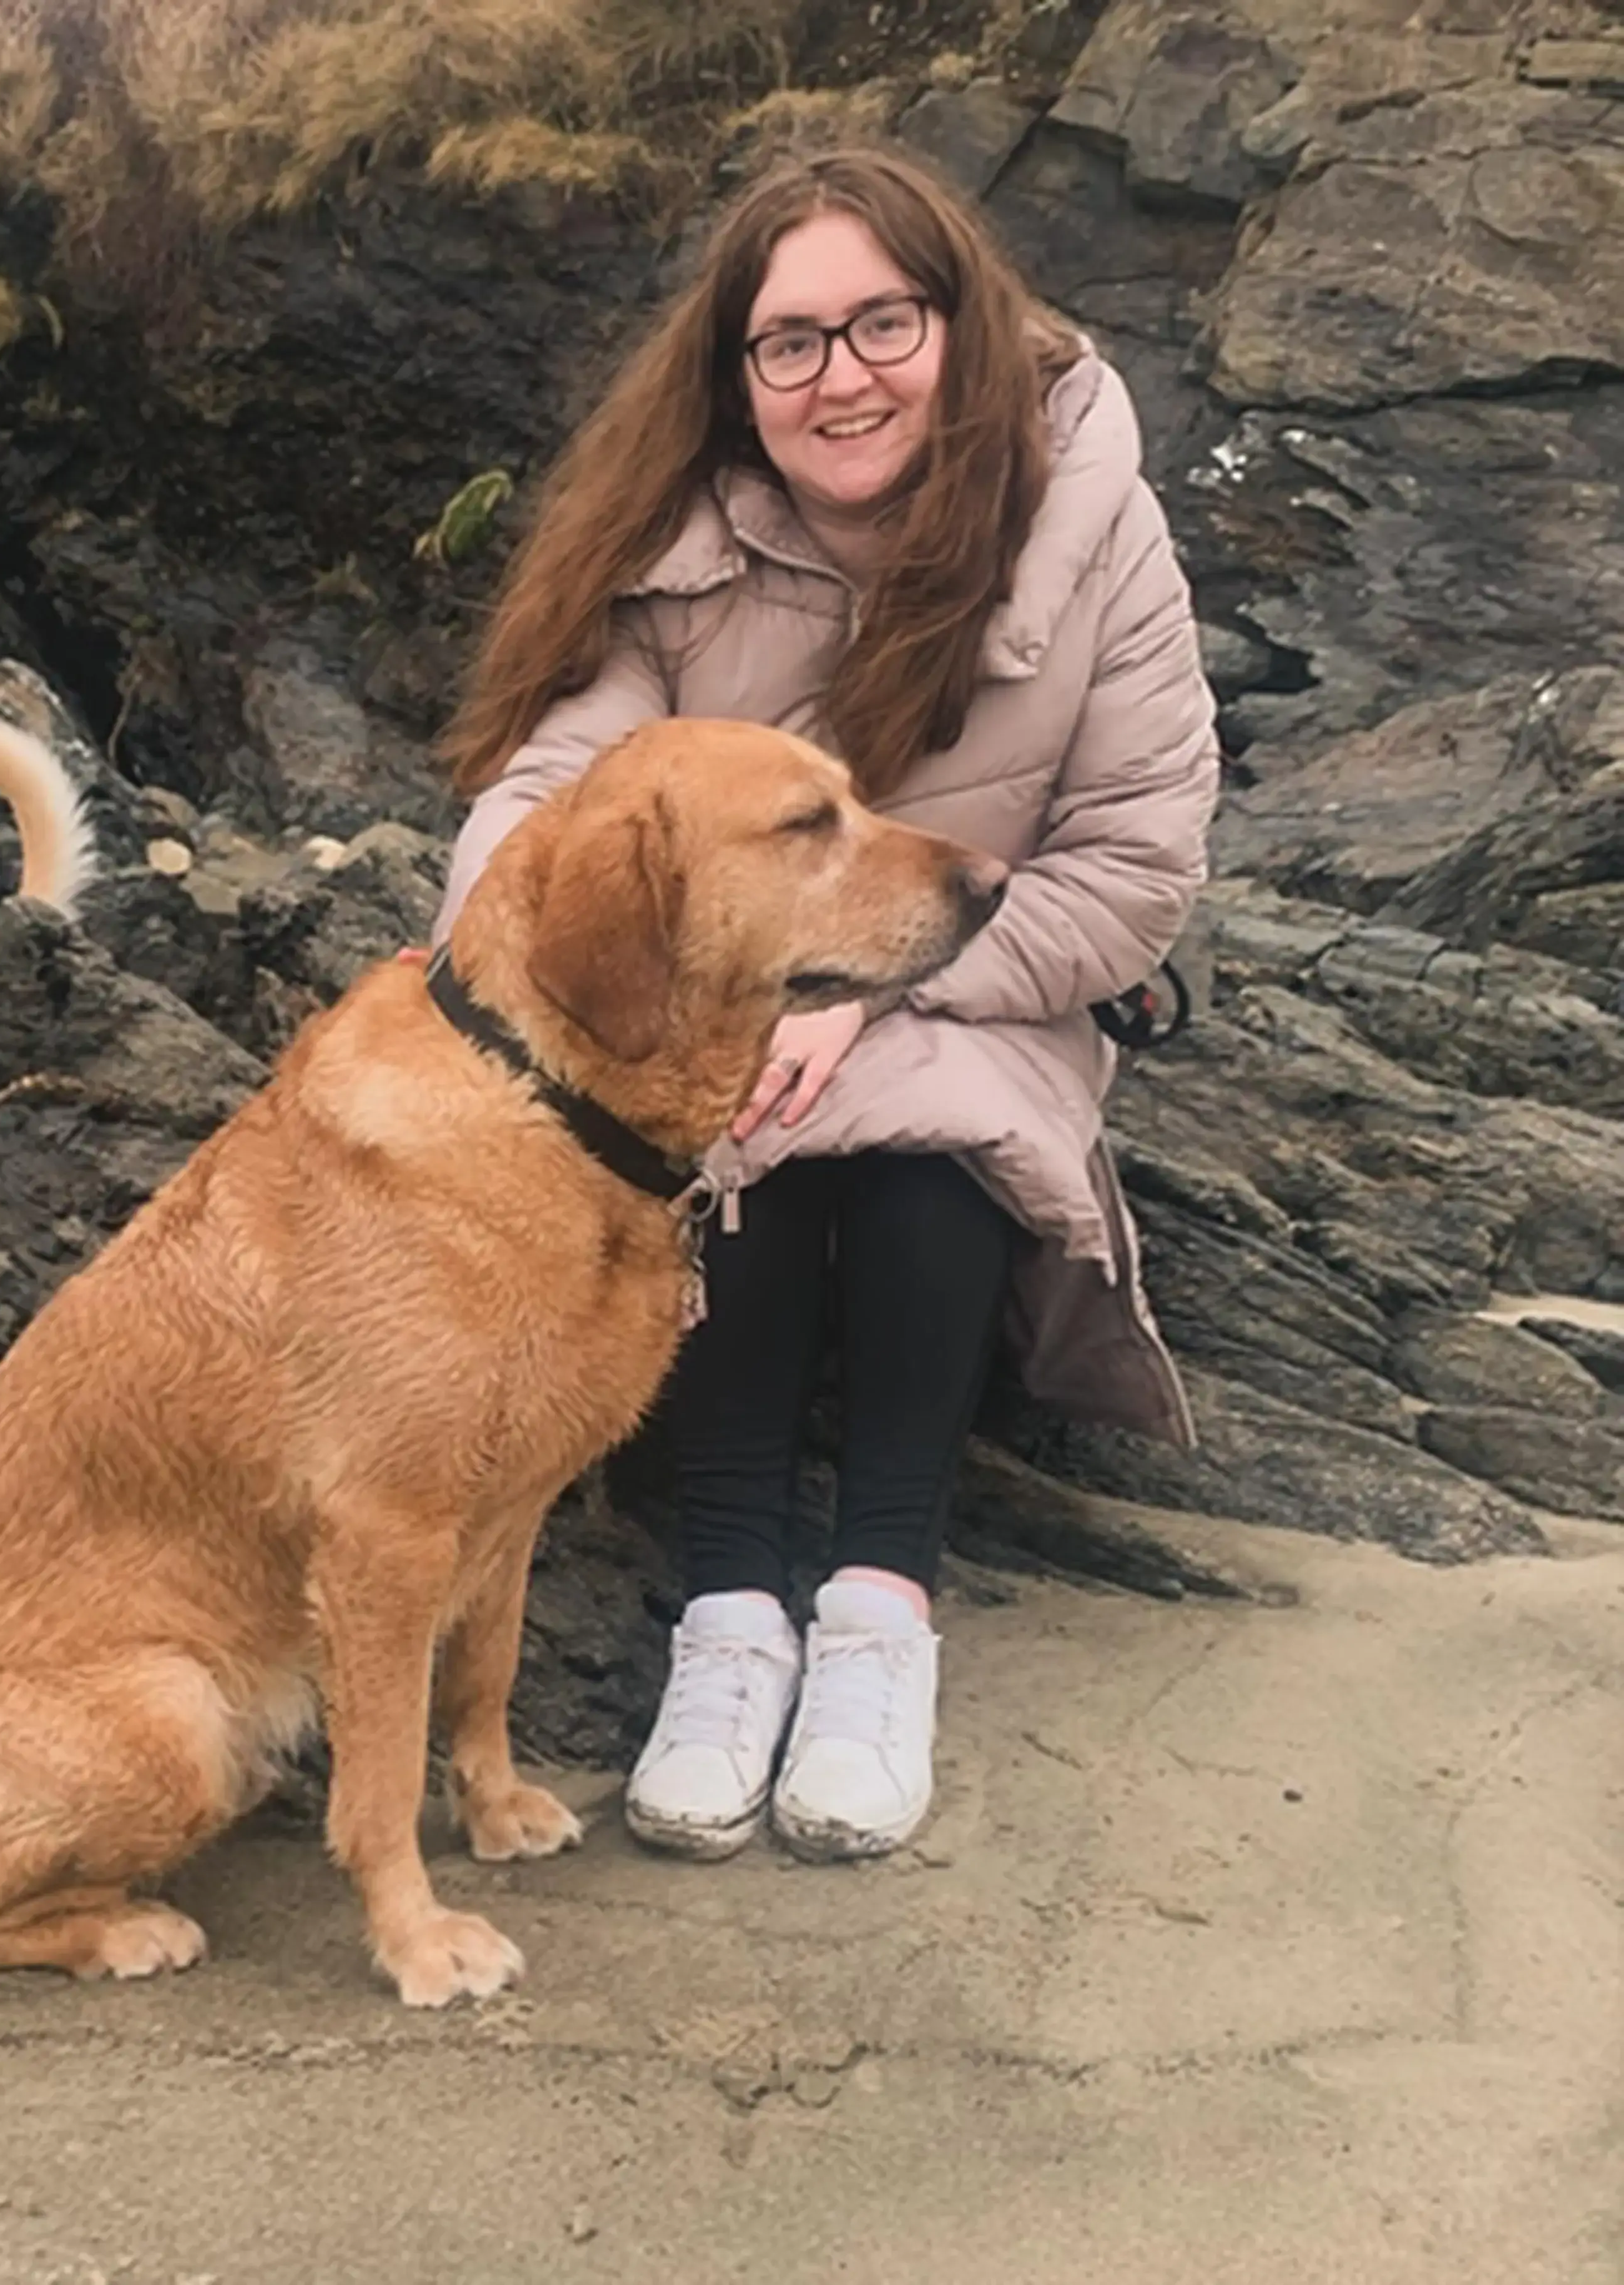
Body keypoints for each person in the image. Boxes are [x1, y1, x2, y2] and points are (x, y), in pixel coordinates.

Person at [429, 145, 1218, 1864]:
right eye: (789, 342)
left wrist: (872, 996)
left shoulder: (1095, 526)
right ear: (736, 374)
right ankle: (728, 1614)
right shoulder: (672, 541)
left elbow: (1137, 865)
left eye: (884, 322)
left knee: (928, 1156)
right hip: (734, 999)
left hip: (995, 969)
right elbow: (555, 781)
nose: (839, 374)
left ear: (966, 325)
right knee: (730, 1127)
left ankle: (877, 1610)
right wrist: (515, 940)